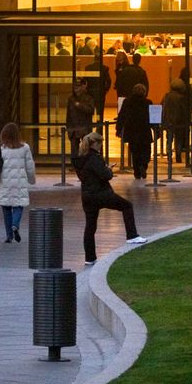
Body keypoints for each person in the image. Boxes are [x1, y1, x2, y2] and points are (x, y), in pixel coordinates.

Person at [74, 131, 143, 264]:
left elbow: (89, 175)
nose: (101, 146)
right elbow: (106, 175)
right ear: (94, 144)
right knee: (126, 206)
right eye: (100, 143)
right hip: (100, 193)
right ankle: (132, 235)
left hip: (87, 195)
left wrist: (104, 169)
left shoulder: (81, 159)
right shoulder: (94, 158)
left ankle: (90, 258)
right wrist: (108, 169)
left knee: (90, 227)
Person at [0, 121, 36, 244]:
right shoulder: (25, 148)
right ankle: (15, 225)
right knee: (18, 205)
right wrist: (31, 180)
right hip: (19, 182)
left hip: (5, 183)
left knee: (6, 209)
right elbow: (30, 166)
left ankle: (9, 236)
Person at [116, 82, 152, 181]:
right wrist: (157, 130)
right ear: (144, 92)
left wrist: (118, 129)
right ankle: (144, 165)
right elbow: (152, 118)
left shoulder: (127, 102)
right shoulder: (148, 102)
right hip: (144, 131)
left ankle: (137, 172)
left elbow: (121, 116)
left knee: (135, 153)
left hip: (132, 131)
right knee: (146, 151)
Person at [161, 78, 192, 168]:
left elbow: (162, 107)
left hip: (168, 120)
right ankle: (178, 156)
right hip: (179, 121)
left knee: (169, 139)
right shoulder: (182, 98)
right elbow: (184, 110)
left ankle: (169, 156)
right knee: (178, 139)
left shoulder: (166, 96)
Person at [64, 79, 96, 161]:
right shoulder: (71, 99)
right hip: (73, 127)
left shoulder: (88, 98)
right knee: (74, 149)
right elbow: (69, 114)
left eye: (78, 86)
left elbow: (91, 110)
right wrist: (68, 127)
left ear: (82, 87)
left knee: (86, 148)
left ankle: (86, 163)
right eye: (75, 86)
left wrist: (80, 106)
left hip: (84, 126)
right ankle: (75, 164)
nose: (76, 88)